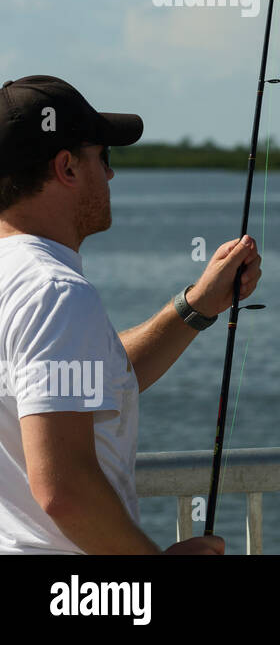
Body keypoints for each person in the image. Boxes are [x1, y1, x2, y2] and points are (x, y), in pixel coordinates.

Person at [0, 76, 262, 554]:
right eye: (104, 157)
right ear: (67, 168)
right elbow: (64, 491)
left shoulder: (16, 283)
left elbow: (83, 386)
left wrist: (197, 306)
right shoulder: (55, 293)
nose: (112, 175)